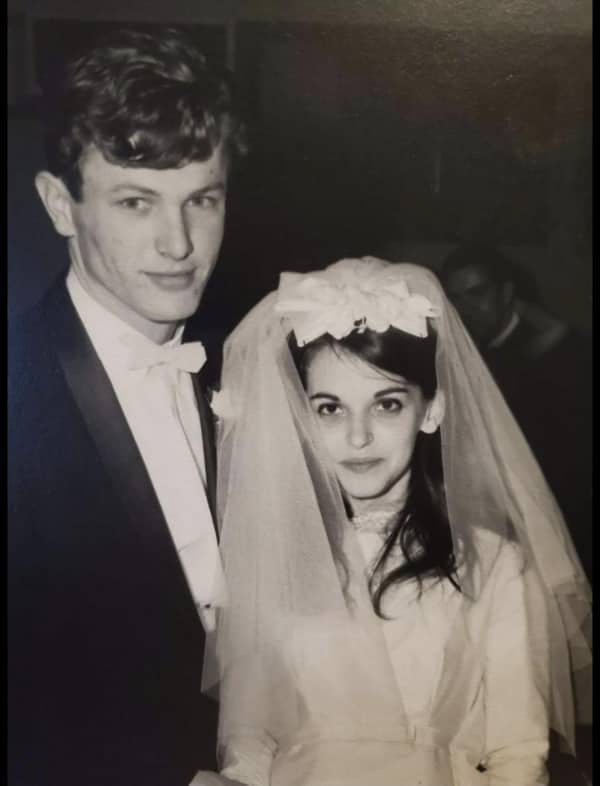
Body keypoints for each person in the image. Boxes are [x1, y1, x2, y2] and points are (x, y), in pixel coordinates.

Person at [209, 258, 591, 785]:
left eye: (386, 404)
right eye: (330, 409)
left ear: (431, 410)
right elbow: (248, 739)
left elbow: (518, 752)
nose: (358, 436)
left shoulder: (492, 561)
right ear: (300, 418)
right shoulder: (273, 560)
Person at [7, 27, 246, 786]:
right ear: (60, 205)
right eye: (137, 202)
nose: (179, 243)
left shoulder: (254, 367)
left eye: (201, 200)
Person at [440, 244, 592, 582]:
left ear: (507, 293)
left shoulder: (554, 354)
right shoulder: (471, 352)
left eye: (477, 293)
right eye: (456, 298)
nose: (465, 309)